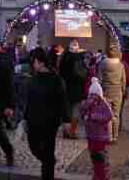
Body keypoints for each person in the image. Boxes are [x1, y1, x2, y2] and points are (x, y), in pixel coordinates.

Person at [24, 47, 69, 180]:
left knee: (48, 151)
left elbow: (63, 100)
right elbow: (30, 99)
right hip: (33, 119)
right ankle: (49, 161)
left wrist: (66, 120)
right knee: (33, 146)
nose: (33, 64)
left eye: (34, 62)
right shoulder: (34, 77)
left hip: (50, 121)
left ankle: (47, 174)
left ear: (41, 62)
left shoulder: (56, 79)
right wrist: (25, 117)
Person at [80, 77, 113, 180]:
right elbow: (82, 113)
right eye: (91, 95)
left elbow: (109, 116)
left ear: (99, 94)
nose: (93, 97)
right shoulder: (88, 103)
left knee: (101, 158)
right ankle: (97, 174)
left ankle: (103, 176)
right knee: (93, 156)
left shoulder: (104, 104)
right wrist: (86, 105)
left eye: (95, 95)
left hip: (100, 136)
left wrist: (93, 116)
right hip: (91, 135)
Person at [58, 39, 88, 139]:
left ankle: (65, 131)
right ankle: (72, 132)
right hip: (77, 89)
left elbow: (60, 73)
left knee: (67, 111)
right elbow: (83, 74)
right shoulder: (79, 59)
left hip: (65, 88)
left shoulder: (63, 58)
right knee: (75, 111)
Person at [98, 47, 125, 142]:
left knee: (106, 114)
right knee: (116, 115)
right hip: (117, 92)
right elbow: (123, 80)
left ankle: (107, 136)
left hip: (106, 91)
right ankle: (115, 136)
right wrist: (123, 90)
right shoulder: (120, 65)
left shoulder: (103, 63)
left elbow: (99, 78)